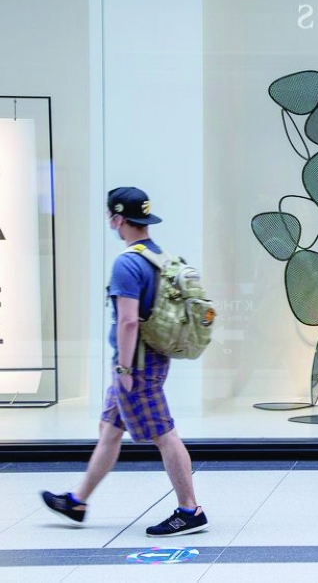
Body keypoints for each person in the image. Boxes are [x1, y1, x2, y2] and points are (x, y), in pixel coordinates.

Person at [41, 187, 208, 537]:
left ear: (118, 219)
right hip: (151, 358)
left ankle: (190, 509)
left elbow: (129, 321)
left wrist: (125, 370)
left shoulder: (127, 263)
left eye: (110, 217)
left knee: (165, 434)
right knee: (110, 430)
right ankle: (77, 501)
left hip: (137, 366)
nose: (110, 223)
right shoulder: (158, 256)